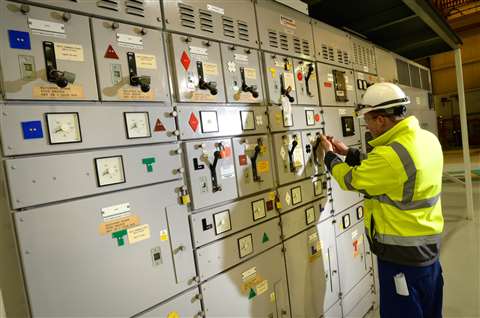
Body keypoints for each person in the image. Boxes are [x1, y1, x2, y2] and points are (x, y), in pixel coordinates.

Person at [321, 82, 444, 318]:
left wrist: (329, 156)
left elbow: (351, 180)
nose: (366, 125)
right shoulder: (427, 139)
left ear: (380, 120)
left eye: (367, 119)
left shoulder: (390, 155)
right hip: (429, 256)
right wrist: (351, 153)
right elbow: (396, 172)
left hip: (401, 259)